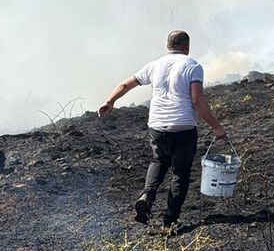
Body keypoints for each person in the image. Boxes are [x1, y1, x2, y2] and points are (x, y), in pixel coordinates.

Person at [97, 31, 227, 228]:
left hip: (157, 126)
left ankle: (147, 196)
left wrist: (109, 101)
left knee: (159, 161)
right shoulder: (193, 66)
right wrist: (216, 127)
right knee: (180, 173)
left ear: (168, 46)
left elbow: (125, 84)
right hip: (183, 127)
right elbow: (197, 100)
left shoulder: (154, 65)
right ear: (187, 46)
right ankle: (170, 221)